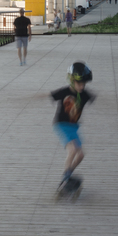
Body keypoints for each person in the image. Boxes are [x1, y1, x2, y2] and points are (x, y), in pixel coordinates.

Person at [49, 61, 94, 197]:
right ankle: (66, 179)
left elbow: (102, 101)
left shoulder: (85, 94)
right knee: (73, 149)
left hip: (74, 127)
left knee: (80, 155)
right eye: (79, 84)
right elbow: (48, 95)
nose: (82, 86)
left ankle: (67, 174)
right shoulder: (64, 92)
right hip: (61, 125)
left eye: (84, 84)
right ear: (71, 80)